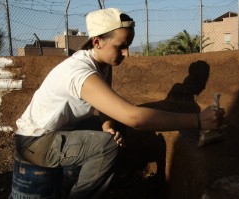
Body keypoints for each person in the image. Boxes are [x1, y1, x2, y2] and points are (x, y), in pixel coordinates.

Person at [15, 8, 225, 199]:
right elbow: (135, 118)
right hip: (35, 142)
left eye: (128, 46)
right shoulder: (80, 73)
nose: (126, 53)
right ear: (97, 42)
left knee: (114, 126)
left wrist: (107, 127)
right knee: (106, 147)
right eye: (121, 46)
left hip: (57, 132)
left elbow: (108, 110)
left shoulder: (102, 63)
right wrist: (198, 121)